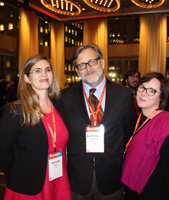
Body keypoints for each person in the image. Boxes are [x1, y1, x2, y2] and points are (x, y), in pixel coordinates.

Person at [60, 43, 137, 199]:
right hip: (77, 179)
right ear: (77, 70)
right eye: (82, 65)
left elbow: (130, 135)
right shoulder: (64, 97)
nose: (88, 68)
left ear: (102, 62)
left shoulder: (124, 95)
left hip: (112, 176)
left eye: (92, 62)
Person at [0, 54, 72, 199]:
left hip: (59, 182)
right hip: (29, 188)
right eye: (37, 70)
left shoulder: (60, 106)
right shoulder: (15, 112)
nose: (44, 74)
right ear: (26, 78)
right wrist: (19, 179)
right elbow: (3, 153)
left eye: (47, 69)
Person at [121, 72, 169, 200]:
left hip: (159, 194)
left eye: (151, 91)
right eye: (142, 87)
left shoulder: (166, 129)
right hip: (135, 193)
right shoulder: (138, 120)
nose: (143, 93)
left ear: (161, 97)